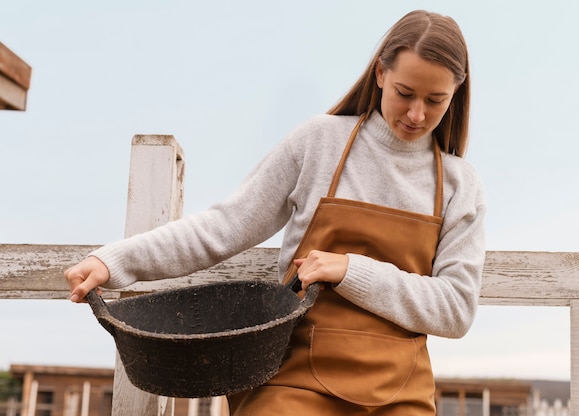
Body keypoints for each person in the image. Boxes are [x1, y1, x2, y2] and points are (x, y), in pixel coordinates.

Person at [65, 9, 485, 415]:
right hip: (295, 373)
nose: (416, 114)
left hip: (401, 392)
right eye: (405, 93)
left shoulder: (458, 184)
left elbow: (456, 308)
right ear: (380, 74)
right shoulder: (320, 142)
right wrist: (115, 260)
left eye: (435, 100)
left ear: (456, 95)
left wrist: (350, 270)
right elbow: (225, 226)